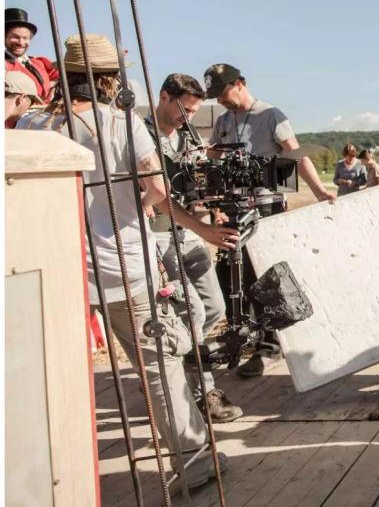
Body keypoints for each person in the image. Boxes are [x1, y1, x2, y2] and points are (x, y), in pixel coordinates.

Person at [17, 34, 229, 489]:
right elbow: (156, 189)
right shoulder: (122, 123)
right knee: (158, 368)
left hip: (58, 269)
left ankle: (51, 481)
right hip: (125, 268)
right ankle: (194, 463)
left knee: (53, 374)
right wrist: (149, 202)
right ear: (110, 80)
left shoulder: (34, 124)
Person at [204, 63, 335, 378]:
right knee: (233, 278)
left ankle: (269, 347)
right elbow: (213, 162)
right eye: (215, 96)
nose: (220, 100)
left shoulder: (271, 115)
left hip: (266, 208)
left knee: (264, 278)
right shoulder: (222, 121)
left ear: (240, 83)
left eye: (222, 92)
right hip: (234, 208)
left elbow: (297, 155)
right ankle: (246, 337)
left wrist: (319, 191)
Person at [145, 73, 243, 422]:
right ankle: (203, 394)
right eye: (184, 110)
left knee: (214, 308)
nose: (187, 118)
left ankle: (175, 376)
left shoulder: (187, 135)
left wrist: (214, 211)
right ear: (164, 97)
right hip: (156, 234)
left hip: (186, 231)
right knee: (193, 313)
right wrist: (201, 226)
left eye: (193, 112)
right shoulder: (140, 134)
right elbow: (157, 197)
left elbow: (197, 180)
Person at [5, 8, 58, 104]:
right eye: (16, 37)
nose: (21, 43)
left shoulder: (39, 62)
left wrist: (52, 86)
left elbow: (61, 74)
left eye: (25, 38)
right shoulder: (5, 65)